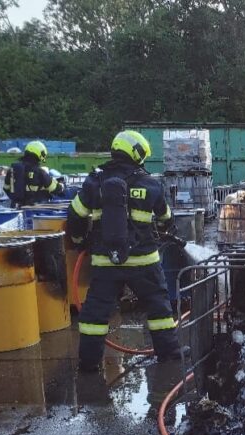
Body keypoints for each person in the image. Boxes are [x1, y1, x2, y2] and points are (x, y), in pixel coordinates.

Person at [67, 130, 188, 373]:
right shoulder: (150, 183)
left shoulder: (95, 182)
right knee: (158, 308)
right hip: (144, 262)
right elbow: (166, 218)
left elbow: (76, 215)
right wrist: (164, 229)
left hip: (105, 263)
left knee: (95, 315)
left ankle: (89, 364)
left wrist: (80, 240)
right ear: (137, 154)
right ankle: (169, 355)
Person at [4, 140, 65, 207]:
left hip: (15, 207)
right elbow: (55, 189)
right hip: (34, 209)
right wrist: (62, 186)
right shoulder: (39, 172)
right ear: (39, 154)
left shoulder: (12, 170)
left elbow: (6, 188)